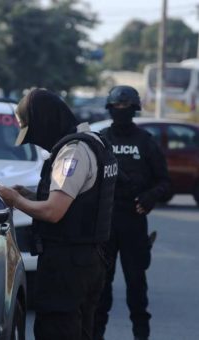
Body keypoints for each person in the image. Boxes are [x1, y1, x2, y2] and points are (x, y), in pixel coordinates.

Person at [0, 88, 118, 340]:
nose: (36, 141)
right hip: (89, 260)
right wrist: (30, 195)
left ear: (46, 122)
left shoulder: (73, 152)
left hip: (67, 266)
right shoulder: (96, 142)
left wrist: (15, 200)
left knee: (56, 331)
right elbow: (81, 199)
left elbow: (53, 212)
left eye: (34, 134)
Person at [93, 86, 171, 340]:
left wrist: (150, 197)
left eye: (126, 109)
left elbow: (164, 182)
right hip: (106, 223)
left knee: (136, 289)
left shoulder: (146, 142)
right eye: (117, 108)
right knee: (100, 290)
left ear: (135, 110)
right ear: (110, 110)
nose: (121, 113)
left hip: (134, 221)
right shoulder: (102, 140)